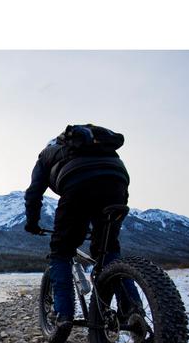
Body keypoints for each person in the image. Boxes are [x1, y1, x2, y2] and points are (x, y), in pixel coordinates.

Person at [24, 124, 135, 328]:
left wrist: (32, 223)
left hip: (78, 184)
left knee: (61, 252)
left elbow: (34, 193)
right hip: (118, 179)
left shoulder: (47, 154)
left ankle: (63, 315)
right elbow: (121, 188)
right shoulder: (101, 146)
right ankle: (132, 310)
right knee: (109, 249)